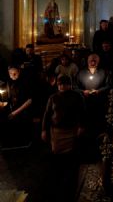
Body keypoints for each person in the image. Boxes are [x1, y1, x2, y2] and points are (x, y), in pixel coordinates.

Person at [41, 74, 85, 202]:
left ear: (69, 84)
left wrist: (81, 126)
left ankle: (70, 178)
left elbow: (82, 112)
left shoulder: (77, 96)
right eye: (60, 84)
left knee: (71, 156)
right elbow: (47, 114)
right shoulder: (53, 97)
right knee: (57, 155)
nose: (62, 86)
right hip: (57, 131)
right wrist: (44, 130)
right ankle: (59, 177)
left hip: (71, 130)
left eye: (64, 84)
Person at [1, 65, 34, 148]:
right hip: (13, 110)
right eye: (10, 73)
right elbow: (8, 98)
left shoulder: (25, 82)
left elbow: (29, 100)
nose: (13, 75)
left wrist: (15, 113)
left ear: (19, 71)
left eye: (15, 73)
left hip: (24, 111)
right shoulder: (9, 82)